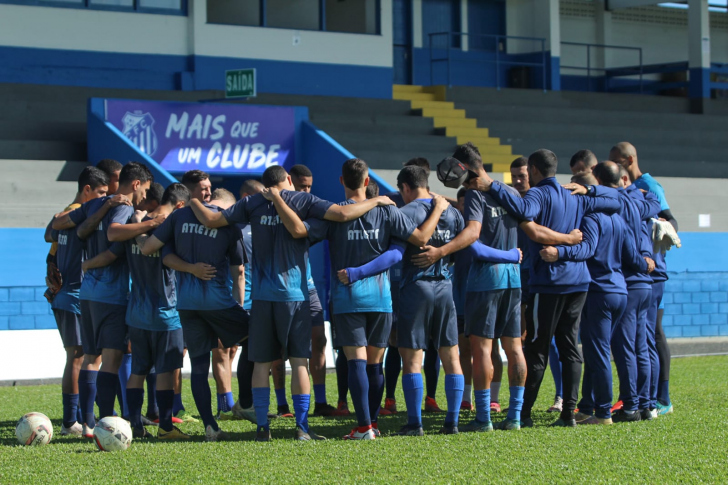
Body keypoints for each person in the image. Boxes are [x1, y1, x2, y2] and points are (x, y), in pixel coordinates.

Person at [188, 165, 396, 441]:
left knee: (261, 363)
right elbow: (342, 213)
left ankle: (263, 428)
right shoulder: (305, 200)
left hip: (261, 297)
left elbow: (212, 221)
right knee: (299, 362)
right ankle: (302, 429)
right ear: (288, 179)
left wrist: (191, 200)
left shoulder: (251, 202)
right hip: (295, 296)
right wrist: (378, 199)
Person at [423, 147, 618, 427]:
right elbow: (534, 232)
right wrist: (566, 239)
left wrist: (441, 252)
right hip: (515, 279)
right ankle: (515, 415)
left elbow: (474, 236)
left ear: (462, 166)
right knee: (516, 348)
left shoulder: (479, 194)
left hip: (486, 280)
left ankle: (483, 417)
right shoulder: (514, 194)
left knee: (483, 349)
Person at [286, 158, 449, 439]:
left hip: (346, 298)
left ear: (341, 181)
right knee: (374, 363)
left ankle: (364, 428)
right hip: (382, 299)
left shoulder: (333, 214)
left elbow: (300, 232)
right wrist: (439, 208)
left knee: (355, 361)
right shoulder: (388, 210)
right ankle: (371, 424)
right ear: (366, 182)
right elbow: (422, 237)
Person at [52, 162, 158, 436]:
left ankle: (87, 423)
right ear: (136, 184)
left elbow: (68, 227)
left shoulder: (94, 204)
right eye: (144, 190)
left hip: (87, 295)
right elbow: (113, 246)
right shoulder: (123, 209)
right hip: (112, 295)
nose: (144, 196)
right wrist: (150, 223)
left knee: (90, 357)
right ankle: (106, 422)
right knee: (112, 358)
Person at [136, 188, 248, 441]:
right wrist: (238, 307)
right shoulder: (229, 223)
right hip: (218, 302)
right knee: (258, 340)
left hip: (186, 303)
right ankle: (248, 403)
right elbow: (239, 272)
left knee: (199, 365)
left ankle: (209, 425)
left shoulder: (179, 217)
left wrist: (138, 228)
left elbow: (154, 251)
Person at [82, 183, 192, 439]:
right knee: (165, 371)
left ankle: (135, 424)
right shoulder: (170, 228)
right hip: (166, 313)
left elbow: (114, 249)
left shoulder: (135, 226)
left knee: (138, 371)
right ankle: (165, 427)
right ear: (180, 206)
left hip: (136, 313)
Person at [541, 168, 647, 425]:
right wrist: (647, 265)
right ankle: (589, 406)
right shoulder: (618, 219)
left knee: (597, 354)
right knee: (599, 351)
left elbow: (586, 249)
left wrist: (560, 253)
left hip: (599, 292)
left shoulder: (590, 219)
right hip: (620, 291)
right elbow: (632, 257)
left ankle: (602, 412)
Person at [610, 141, 677, 416]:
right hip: (642, 273)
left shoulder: (650, 186)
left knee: (650, 335)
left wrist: (649, 244)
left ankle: (660, 398)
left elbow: (671, 222)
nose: (612, 164)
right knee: (645, 336)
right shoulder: (629, 190)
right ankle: (642, 398)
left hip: (651, 272)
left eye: (615, 160)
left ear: (628, 160)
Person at [45, 166, 109, 436]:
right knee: (78, 356)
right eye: (101, 192)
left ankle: (78, 417)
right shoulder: (77, 215)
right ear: (87, 190)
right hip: (74, 295)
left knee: (80, 356)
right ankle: (71, 420)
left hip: (66, 296)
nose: (105, 197)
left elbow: (50, 238)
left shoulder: (63, 215)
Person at [285, 164, 343, 417]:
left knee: (319, 339)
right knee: (280, 349)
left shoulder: (311, 210)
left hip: (307, 287)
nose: (306, 191)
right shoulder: (276, 209)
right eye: (302, 187)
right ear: (290, 183)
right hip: (280, 289)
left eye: (309, 187)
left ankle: (319, 402)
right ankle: (280, 404)